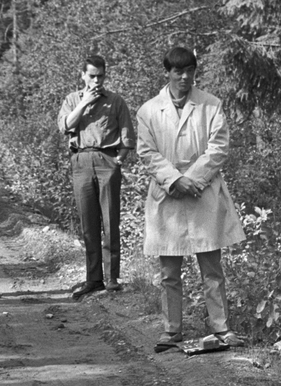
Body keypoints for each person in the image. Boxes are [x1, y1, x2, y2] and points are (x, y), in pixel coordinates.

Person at [137, 46, 246, 352]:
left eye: (190, 72)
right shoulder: (148, 111)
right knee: (169, 271)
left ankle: (221, 328)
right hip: (167, 193)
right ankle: (172, 331)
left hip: (202, 191)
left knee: (211, 267)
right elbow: (147, 152)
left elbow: (219, 147)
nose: (184, 78)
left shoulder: (211, 105)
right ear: (167, 73)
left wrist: (193, 179)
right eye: (178, 72)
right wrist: (175, 180)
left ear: (196, 72)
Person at [56, 54, 135, 299]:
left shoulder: (115, 101)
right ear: (83, 76)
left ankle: (112, 278)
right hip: (80, 159)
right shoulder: (72, 100)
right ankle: (93, 278)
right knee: (88, 222)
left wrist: (118, 159)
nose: (97, 80)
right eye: (92, 76)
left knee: (110, 221)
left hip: (106, 159)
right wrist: (84, 103)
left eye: (101, 76)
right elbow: (65, 126)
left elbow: (127, 136)